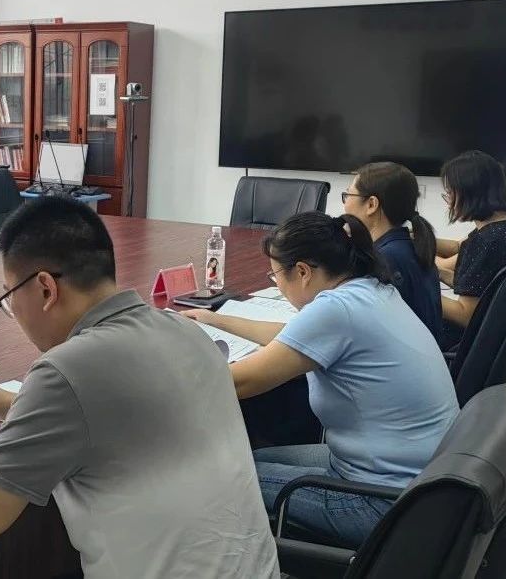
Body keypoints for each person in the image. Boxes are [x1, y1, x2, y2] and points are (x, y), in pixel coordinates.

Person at [0, 196, 278, 578]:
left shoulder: (65, 371)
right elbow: (116, 414)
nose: (13, 312)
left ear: (46, 289)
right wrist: (12, 404)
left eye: (10, 297)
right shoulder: (185, 330)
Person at [182, 211, 458, 548]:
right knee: (250, 458)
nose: (277, 284)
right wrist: (216, 320)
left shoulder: (336, 310)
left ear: (302, 272)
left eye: (275, 275)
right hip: (422, 487)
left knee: (213, 473)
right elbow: (292, 335)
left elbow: (240, 382)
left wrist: (156, 375)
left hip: (381, 502)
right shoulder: (370, 289)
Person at [434, 150, 506, 334]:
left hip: (477, 337)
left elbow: (466, 315)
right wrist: (438, 273)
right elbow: (480, 287)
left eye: (450, 193)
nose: (448, 202)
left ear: (469, 192)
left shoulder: (488, 240)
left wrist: (417, 293)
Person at [342, 161, 444, 345]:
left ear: (371, 204)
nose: (345, 204)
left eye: (348, 195)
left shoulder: (382, 260)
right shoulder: (408, 247)